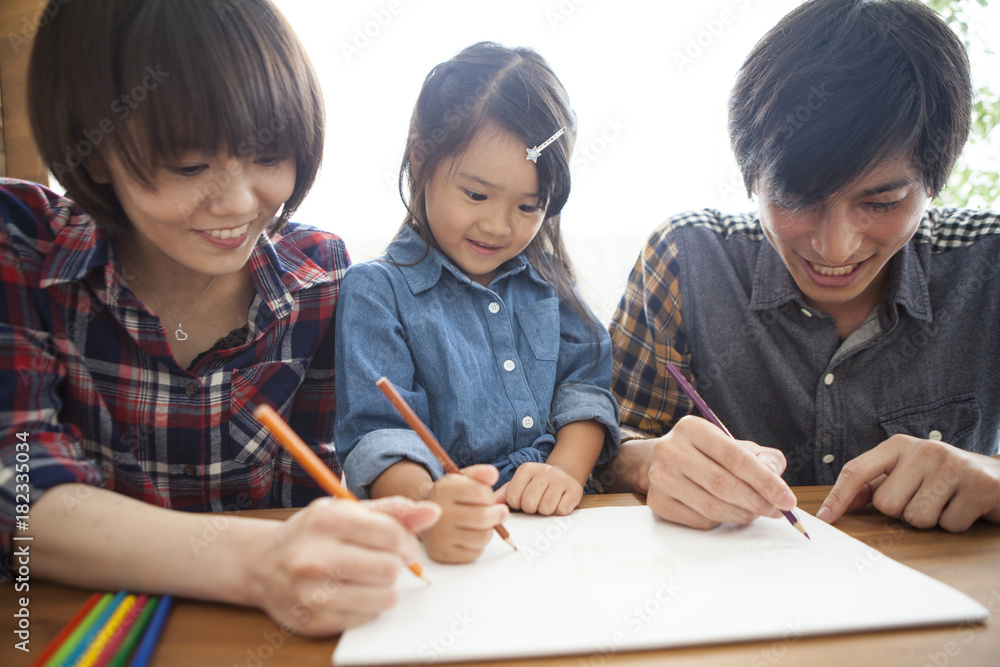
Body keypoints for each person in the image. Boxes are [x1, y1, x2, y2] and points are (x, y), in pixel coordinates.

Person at [0, 0, 439, 636]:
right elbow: (19, 490)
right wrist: (259, 562)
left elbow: (333, 479)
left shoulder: (322, 278)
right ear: (94, 154)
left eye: (267, 157)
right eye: (188, 165)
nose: (237, 203)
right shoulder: (23, 248)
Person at [604, 0, 1000, 533]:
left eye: (881, 203)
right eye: (796, 198)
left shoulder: (988, 267)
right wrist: (646, 460)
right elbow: (603, 441)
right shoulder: (689, 257)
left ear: (934, 184)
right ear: (750, 179)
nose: (836, 249)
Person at [335, 42, 620, 564]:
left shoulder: (550, 281)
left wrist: (563, 470)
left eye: (528, 206)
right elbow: (378, 434)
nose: (497, 226)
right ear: (421, 157)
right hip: (449, 544)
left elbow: (585, 390)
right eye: (476, 195)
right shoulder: (376, 291)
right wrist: (427, 504)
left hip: (566, 536)